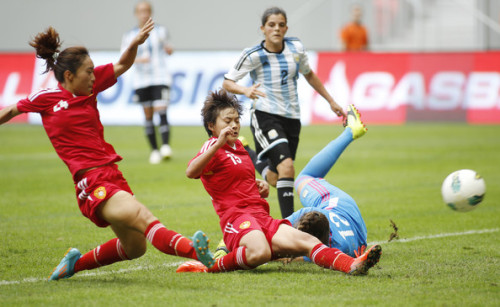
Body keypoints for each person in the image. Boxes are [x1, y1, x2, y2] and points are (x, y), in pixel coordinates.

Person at [0, 20, 214, 281]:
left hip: (112, 175)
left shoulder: (90, 89)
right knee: (143, 217)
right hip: (91, 182)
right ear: (69, 76)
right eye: (88, 72)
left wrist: (134, 44)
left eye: (93, 71)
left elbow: (123, 64)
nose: (93, 76)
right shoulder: (46, 99)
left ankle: (74, 265)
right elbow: (11, 110)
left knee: (135, 248)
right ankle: (195, 250)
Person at [177, 89, 381, 275]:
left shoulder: (238, 147)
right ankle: (210, 266)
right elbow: (191, 171)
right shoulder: (212, 145)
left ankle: (353, 265)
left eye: (237, 120)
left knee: (308, 241)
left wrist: (259, 186)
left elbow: (236, 181)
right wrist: (218, 143)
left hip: (261, 216)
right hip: (237, 219)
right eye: (228, 121)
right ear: (211, 126)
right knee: (261, 252)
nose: (234, 125)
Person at [222, 7, 346, 219]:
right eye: (271, 25)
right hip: (265, 115)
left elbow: (309, 75)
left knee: (277, 177)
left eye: (281, 25)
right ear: (263, 29)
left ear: (286, 28)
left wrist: (331, 101)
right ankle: (291, 226)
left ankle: (250, 154)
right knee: (287, 167)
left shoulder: (296, 49)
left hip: (292, 117)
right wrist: (246, 90)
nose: (276, 29)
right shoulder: (253, 55)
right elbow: (227, 82)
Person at [287, 104, 369, 260]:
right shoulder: (311, 214)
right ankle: (350, 131)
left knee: (305, 178)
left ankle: (350, 132)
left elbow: (278, 247)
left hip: (353, 223)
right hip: (342, 208)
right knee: (304, 178)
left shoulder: (329, 249)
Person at [121, 1, 173, 164]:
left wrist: (169, 50)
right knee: (148, 114)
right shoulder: (129, 35)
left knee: (161, 109)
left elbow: (168, 48)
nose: (144, 14)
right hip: (141, 80)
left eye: (147, 11)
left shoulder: (161, 31)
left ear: (151, 13)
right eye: (141, 11)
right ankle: (155, 151)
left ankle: (165, 146)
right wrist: (138, 59)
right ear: (136, 14)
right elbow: (124, 56)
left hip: (160, 76)